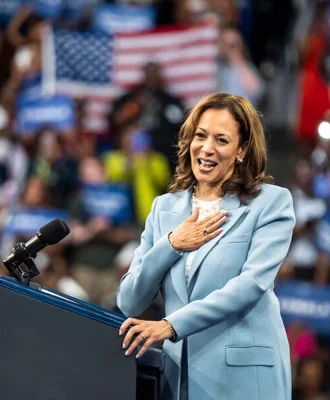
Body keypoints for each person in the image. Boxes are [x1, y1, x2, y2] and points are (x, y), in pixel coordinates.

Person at [117, 92, 296, 400]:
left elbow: (250, 285)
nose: (207, 148)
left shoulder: (271, 204)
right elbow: (130, 300)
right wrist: (172, 244)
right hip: (180, 378)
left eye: (221, 140)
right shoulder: (164, 209)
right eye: (201, 135)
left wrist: (171, 326)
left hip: (244, 378)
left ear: (241, 150)